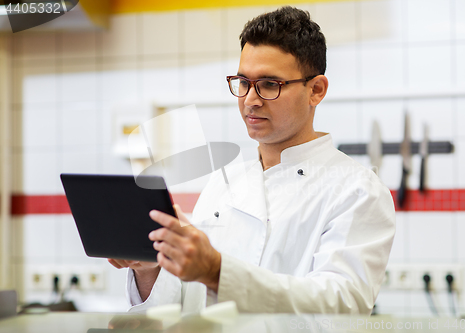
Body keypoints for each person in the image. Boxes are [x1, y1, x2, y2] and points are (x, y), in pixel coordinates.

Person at [108, 6, 395, 314]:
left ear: (316, 90)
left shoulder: (357, 190)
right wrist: (149, 269)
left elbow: (340, 306)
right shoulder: (224, 183)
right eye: (243, 82)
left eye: (270, 84)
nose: (250, 100)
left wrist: (217, 271)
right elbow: (184, 305)